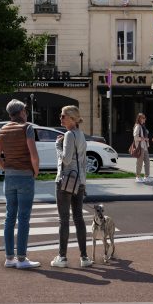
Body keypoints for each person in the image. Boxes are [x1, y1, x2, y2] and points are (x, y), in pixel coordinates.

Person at [0, 99, 41, 269]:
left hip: (10, 177)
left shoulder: (3, 130)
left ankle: (9, 258)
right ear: (21, 112)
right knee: (24, 218)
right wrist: (35, 171)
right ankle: (21, 259)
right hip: (25, 176)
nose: (26, 113)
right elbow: (33, 155)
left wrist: (6, 168)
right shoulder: (27, 128)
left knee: (9, 217)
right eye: (25, 111)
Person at [51, 106, 91, 268]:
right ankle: (84, 257)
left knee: (64, 220)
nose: (61, 119)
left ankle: (62, 257)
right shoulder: (81, 135)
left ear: (72, 119)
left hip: (66, 180)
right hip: (79, 181)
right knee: (79, 218)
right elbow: (83, 161)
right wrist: (84, 183)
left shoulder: (68, 134)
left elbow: (66, 160)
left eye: (63, 116)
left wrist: (58, 146)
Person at [132, 113, 150, 183]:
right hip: (140, 146)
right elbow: (136, 137)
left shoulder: (143, 126)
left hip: (145, 146)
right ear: (139, 119)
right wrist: (144, 139)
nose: (144, 119)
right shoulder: (138, 126)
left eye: (144, 117)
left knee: (147, 161)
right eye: (143, 118)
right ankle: (138, 176)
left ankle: (146, 176)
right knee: (139, 162)